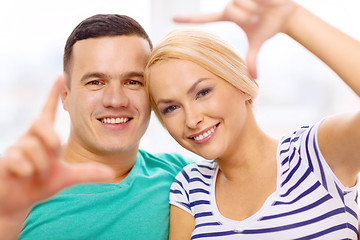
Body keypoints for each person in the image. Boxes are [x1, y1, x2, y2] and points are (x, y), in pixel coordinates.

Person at [144, 0, 360, 239]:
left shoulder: (315, 153)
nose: (192, 119)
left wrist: (294, 19)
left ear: (243, 84)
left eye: (203, 92)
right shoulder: (190, 187)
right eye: (171, 108)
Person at [0, 14, 191, 240]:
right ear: (66, 96)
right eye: (95, 82)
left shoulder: (183, 178)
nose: (116, 100)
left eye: (133, 81)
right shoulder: (18, 188)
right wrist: (7, 218)